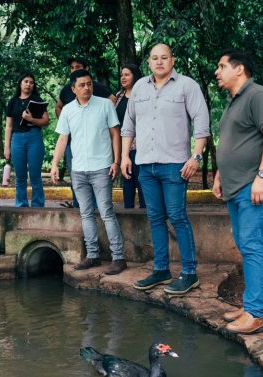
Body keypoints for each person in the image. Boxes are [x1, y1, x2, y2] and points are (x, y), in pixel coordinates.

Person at [120, 43, 211, 295]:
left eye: (164, 57)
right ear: (149, 62)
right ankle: (161, 269)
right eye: (154, 58)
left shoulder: (187, 85)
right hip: (145, 164)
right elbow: (128, 124)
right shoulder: (139, 87)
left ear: (173, 60)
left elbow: (201, 122)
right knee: (155, 217)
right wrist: (125, 156)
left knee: (177, 216)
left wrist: (196, 156)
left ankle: (190, 273)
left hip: (174, 165)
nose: (159, 62)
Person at [213, 50, 263, 334]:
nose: (217, 72)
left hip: (255, 182)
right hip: (236, 184)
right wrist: (220, 175)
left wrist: (262, 175)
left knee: (252, 244)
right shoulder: (234, 101)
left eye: (221, 66)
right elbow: (232, 142)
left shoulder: (258, 95)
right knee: (244, 243)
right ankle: (248, 306)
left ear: (239, 68)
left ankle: (255, 313)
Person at [50, 69, 126, 275]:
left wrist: (116, 161)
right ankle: (92, 255)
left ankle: (118, 258)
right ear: (73, 89)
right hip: (78, 169)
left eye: (89, 84)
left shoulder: (105, 105)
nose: (87, 88)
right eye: (82, 85)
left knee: (106, 211)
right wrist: (55, 164)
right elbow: (63, 139)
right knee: (85, 213)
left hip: (101, 167)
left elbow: (115, 134)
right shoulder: (67, 110)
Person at [55, 57, 115, 208]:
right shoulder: (67, 90)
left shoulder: (95, 88)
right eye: (72, 67)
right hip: (73, 142)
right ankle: (79, 206)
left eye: (78, 66)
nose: (75, 69)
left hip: (98, 148)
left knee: (100, 190)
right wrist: (66, 120)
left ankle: (96, 207)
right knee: (76, 176)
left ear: (87, 68)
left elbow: (112, 99)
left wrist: (102, 118)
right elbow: (59, 107)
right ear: (74, 88)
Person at [4, 73, 50, 207]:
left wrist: (31, 119)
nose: (29, 84)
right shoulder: (13, 102)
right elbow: (8, 126)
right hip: (17, 139)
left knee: (35, 175)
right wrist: (7, 147)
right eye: (26, 81)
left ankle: (38, 205)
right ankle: (21, 205)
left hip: (34, 137)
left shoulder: (37, 100)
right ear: (20, 83)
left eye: (31, 82)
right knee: (20, 176)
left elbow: (46, 121)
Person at [114, 64, 145, 209]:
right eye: (122, 75)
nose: (123, 78)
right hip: (124, 146)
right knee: (127, 180)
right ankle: (128, 213)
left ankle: (146, 213)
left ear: (135, 76)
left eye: (127, 75)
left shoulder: (143, 95)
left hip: (141, 145)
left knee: (142, 181)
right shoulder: (119, 96)